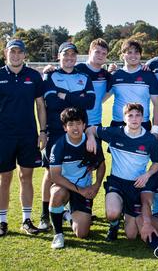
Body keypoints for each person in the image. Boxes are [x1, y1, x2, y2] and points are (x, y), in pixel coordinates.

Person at [86, 103, 158, 241]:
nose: (134, 119)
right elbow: (90, 129)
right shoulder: (115, 133)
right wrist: (91, 137)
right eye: (130, 115)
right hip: (116, 182)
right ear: (124, 118)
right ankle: (114, 225)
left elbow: (157, 162)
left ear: (143, 118)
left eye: (138, 115)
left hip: (136, 186)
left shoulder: (150, 139)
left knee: (131, 235)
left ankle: (126, 214)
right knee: (112, 213)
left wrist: (147, 174)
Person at [41, 42, 95, 231]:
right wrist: (75, 97)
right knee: (50, 171)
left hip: (79, 131)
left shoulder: (84, 77)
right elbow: (51, 101)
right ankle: (45, 215)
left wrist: (65, 96)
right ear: (59, 57)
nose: (70, 58)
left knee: (83, 165)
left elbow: (89, 102)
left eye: (73, 55)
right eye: (66, 55)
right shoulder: (51, 76)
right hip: (56, 130)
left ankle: (79, 206)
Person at [0, 39, 47, 236]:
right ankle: (2, 221)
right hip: (3, 135)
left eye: (20, 52)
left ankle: (26, 220)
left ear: (25, 55)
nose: (16, 55)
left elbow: (40, 106)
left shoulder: (33, 76)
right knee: (4, 178)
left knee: (26, 177)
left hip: (28, 135)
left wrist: (43, 131)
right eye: (13, 51)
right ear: (6, 53)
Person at [48, 107, 106, 249]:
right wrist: (79, 190)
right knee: (57, 193)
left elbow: (102, 165)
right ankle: (58, 234)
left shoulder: (91, 143)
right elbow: (54, 175)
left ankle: (66, 215)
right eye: (71, 124)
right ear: (64, 127)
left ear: (84, 125)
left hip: (85, 189)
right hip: (65, 186)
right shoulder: (59, 146)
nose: (75, 128)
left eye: (78, 123)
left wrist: (96, 185)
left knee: (82, 233)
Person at [107, 39, 158, 131]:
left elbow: (157, 104)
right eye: (129, 52)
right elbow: (100, 99)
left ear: (140, 55)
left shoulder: (148, 75)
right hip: (118, 124)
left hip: (142, 124)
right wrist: (106, 75)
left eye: (136, 52)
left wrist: (155, 129)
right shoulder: (115, 75)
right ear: (123, 55)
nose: (133, 55)